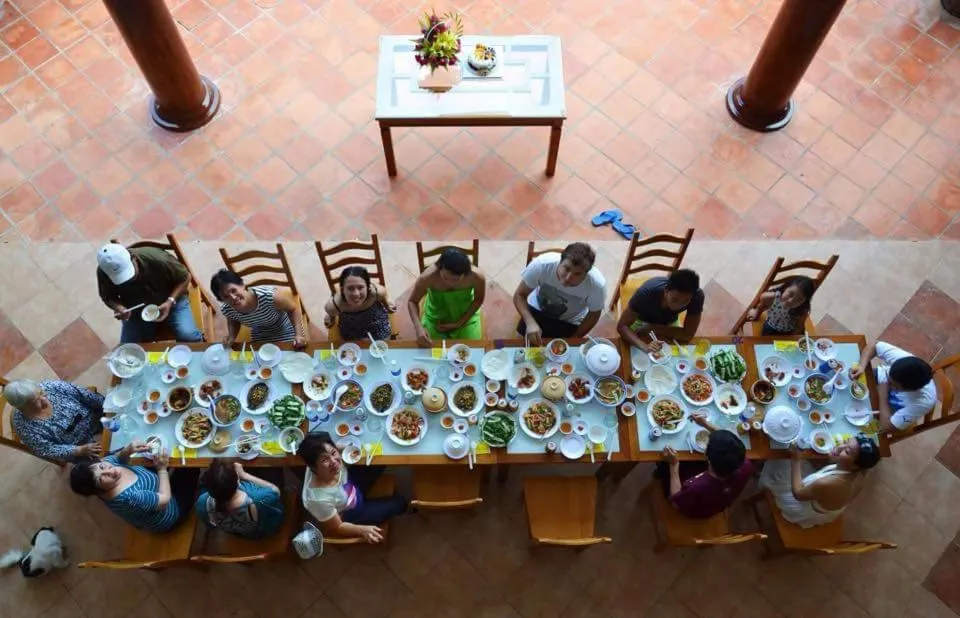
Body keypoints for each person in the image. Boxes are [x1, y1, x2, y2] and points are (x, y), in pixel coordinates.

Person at [298, 432, 407, 543]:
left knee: (381, 459)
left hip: (351, 484)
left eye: (333, 453)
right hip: (351, 511)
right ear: (313, 467)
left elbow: (331, 450)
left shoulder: (324, 460)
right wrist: (362, 530)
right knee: (400, 503)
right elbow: (337, 527)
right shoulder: (317, 500)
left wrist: (348, 446)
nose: (334, 461)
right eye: (325, 460)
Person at [69, 442, 199, 533]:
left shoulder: (104, 464)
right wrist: (162, 469)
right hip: (170, 510)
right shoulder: (129, 498)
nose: (110, 471)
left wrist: (128, 450)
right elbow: (164, 500)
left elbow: (117, 460)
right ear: (97, 490)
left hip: (150, 483)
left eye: (101, 467)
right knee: (191, 466)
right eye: (101, 478)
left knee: (165, 449)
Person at [758, 435, 879, 528]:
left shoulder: (830, 484)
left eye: (847, 452)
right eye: (846, 443)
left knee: (779, 462)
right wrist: (838, 455)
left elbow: (798, 494)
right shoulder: (862, 472)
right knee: (804, 461)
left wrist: (796, 460)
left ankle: (761, 472)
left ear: (855, 466)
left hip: (802, 506)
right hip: (825, 500)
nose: (842, 447)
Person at [96, 243, 203, 343]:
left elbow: (185, 278)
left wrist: (170, 301)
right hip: (137, 310)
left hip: (171, 300)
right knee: (128, 348)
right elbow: (107, 296)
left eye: (129, 272)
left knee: (189, 336)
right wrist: (118, 307)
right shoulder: (104, 271)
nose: (129, 280)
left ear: (134, 258)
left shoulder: (158, 259)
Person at [658, 414, 753, 519]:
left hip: (693, 510)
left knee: (664, 465)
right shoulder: (745, 464)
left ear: (708, 458)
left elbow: (676, 503)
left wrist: (674, 465)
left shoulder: (697, 487)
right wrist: (705, 424)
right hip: (719, 500)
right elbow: (731, 443)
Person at [513, 243, 606, 344]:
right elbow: (519, 295)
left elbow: (594, 314)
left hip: (569, 321)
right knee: (518, 346)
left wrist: (573, 339)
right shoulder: (541, 265)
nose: (568, 278)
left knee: (560, 355)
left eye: (577, 274)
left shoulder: (597, 285)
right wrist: (530, 322)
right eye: (566, 268)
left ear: (587, 273)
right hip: (536, 309)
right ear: (560, 261)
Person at [5, 379, 104, 463]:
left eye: (41, 393)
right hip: (79, 446)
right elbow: (48, 449)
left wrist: (108, 408)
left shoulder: (52, 386)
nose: (44, 400)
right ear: (22, 409)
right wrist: (79, 450)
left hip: (95, 418)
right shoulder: (24, 427)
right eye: (35, 402)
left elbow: (84, 395)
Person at [850, 341, 936, 432]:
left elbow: (886, 427)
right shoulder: (906, 361)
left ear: (910, 389)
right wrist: (862, 366)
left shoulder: (923, 402)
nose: (889, 383)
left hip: (884, 410)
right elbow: (873, 346)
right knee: (847, 383)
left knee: (855, 428)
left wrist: (883, 395)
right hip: (876, 379)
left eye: (893, 385)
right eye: (889, 378)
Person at [209, 269, 307, 349]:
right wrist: (231, 337)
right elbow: (233, 321)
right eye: (226, 296)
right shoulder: (227, 309)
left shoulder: (269, 296)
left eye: (233, 290)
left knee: (292, 354)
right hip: (260, 333)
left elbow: (293, 309)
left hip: (284, 327)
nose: (233, 298)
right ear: (221, 300)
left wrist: (299, 334)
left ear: (242, 285)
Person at [407, 248, 485, 348]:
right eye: (445, 278)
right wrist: (418, 328)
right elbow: (412, 301)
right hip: (435, 317)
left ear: (465, 274)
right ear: (439, 268)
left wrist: (459, 323)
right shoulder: (427, 277)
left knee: (471, 350)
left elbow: (478, 300)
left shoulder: (477, 277)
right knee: (432, 351)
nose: (449, 283)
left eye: (456, 280)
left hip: (466, 317)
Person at [618, 268, 704, 353]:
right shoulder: (645, 294)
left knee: (675, 351)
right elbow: (622, 326)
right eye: (675, 299)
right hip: (641, 319)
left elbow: (687, 335)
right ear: (666, 291)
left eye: (686, 301)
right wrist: (645, 346)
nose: (678, 306)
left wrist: (653, 328)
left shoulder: (696, 296)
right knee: (632, 350)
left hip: (669, 322)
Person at [195, 461, 284, 539]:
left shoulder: (202, 502)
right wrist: (244, 475)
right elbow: (276, 491)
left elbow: (211, 525)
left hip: (234, 532)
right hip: (258, 533)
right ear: (238, 481)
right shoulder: (259, 499)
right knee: (274, 470)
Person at [323, 267, 395, 342]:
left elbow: (384, 294)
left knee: (383, 344)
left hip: (376, 322)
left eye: (360, 287)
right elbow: (330, 310)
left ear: (368, 287)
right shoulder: (335, 305)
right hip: (350, 327)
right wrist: (331, 316)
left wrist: (387, 303)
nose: (356, 294)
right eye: (350, 288)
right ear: (342, 290)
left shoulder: (376, 292)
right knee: (353, 349)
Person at [745, 276, 816, 336]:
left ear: (804, 302)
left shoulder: (803, 309)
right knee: (765, 344)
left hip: (789, 332)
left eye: (799, 300)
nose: (791, 301)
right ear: (785, 288)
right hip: (771, 326)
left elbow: (799, 327)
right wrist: (756, 311)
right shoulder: (770, 297)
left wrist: (792, 340)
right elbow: (762, 305)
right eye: (790, 294)